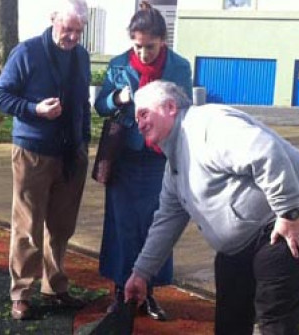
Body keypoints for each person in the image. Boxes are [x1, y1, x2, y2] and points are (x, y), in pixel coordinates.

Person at [124, 81, 299, 335]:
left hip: (292, 211)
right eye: (136, 118)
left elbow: (265, 151)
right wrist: (141, 273)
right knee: (231, 308)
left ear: (170, 107)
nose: (140, 123)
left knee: (274, 309)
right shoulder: (175, 165)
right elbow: (166, 220)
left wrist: (288, 211)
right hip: (244, 235)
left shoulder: (208, 126)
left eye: (144, 114)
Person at [0, 0, 92, 321]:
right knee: (28, 227)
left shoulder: (82, 56)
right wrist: (36, 109)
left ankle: (55, 285)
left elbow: (83, 104)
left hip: (71, 153)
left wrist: (84, 142)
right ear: (52, 20)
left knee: (61, 226)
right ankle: (21, 293)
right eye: (67, 28)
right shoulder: (27, 52)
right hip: (33, 151)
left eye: (79, 30)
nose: (73, 36)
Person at [92, 1, 192, 321]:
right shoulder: (119, 64)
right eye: (138, 46)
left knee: (155, 225)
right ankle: (121, 291)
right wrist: (115, 98)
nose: (144, 53)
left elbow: (185, 107)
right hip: (124, 156)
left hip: (158, 157)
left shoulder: (179, 66)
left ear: (163, 39)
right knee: (122, 227)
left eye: (150, 46)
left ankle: (148, 291)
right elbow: (101, 106)